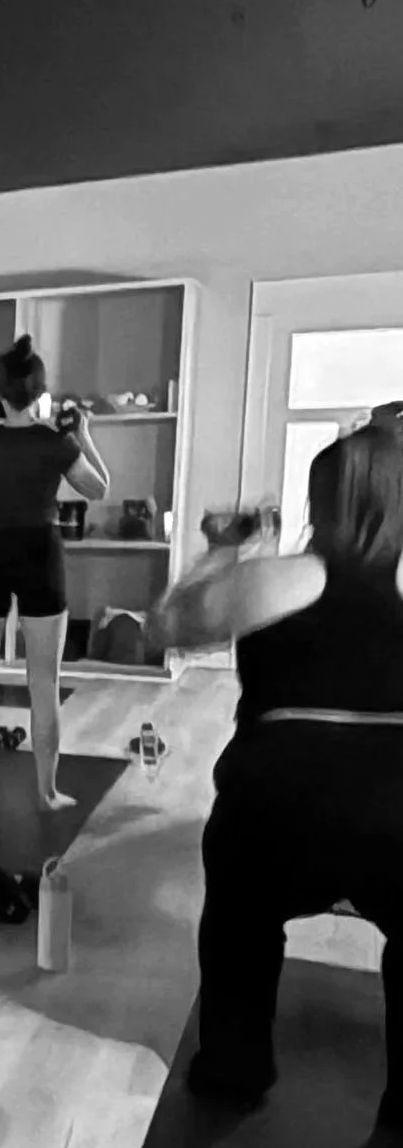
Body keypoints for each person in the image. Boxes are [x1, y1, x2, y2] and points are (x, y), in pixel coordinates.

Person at [151, 425, 403, 1113]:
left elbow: (165, 623)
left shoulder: (285, 578)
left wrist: (221, 547)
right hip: (394, 810)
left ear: (318, 505)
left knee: (240, 922)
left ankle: (234, 1067)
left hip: (276, 811)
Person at [0, 335, 110, 813]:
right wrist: (81, 433)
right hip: (41, 554)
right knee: (44, 681)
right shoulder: (55, 441)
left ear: (0, 394)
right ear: (40, 394)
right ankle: (46, 792)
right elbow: (99, 489)